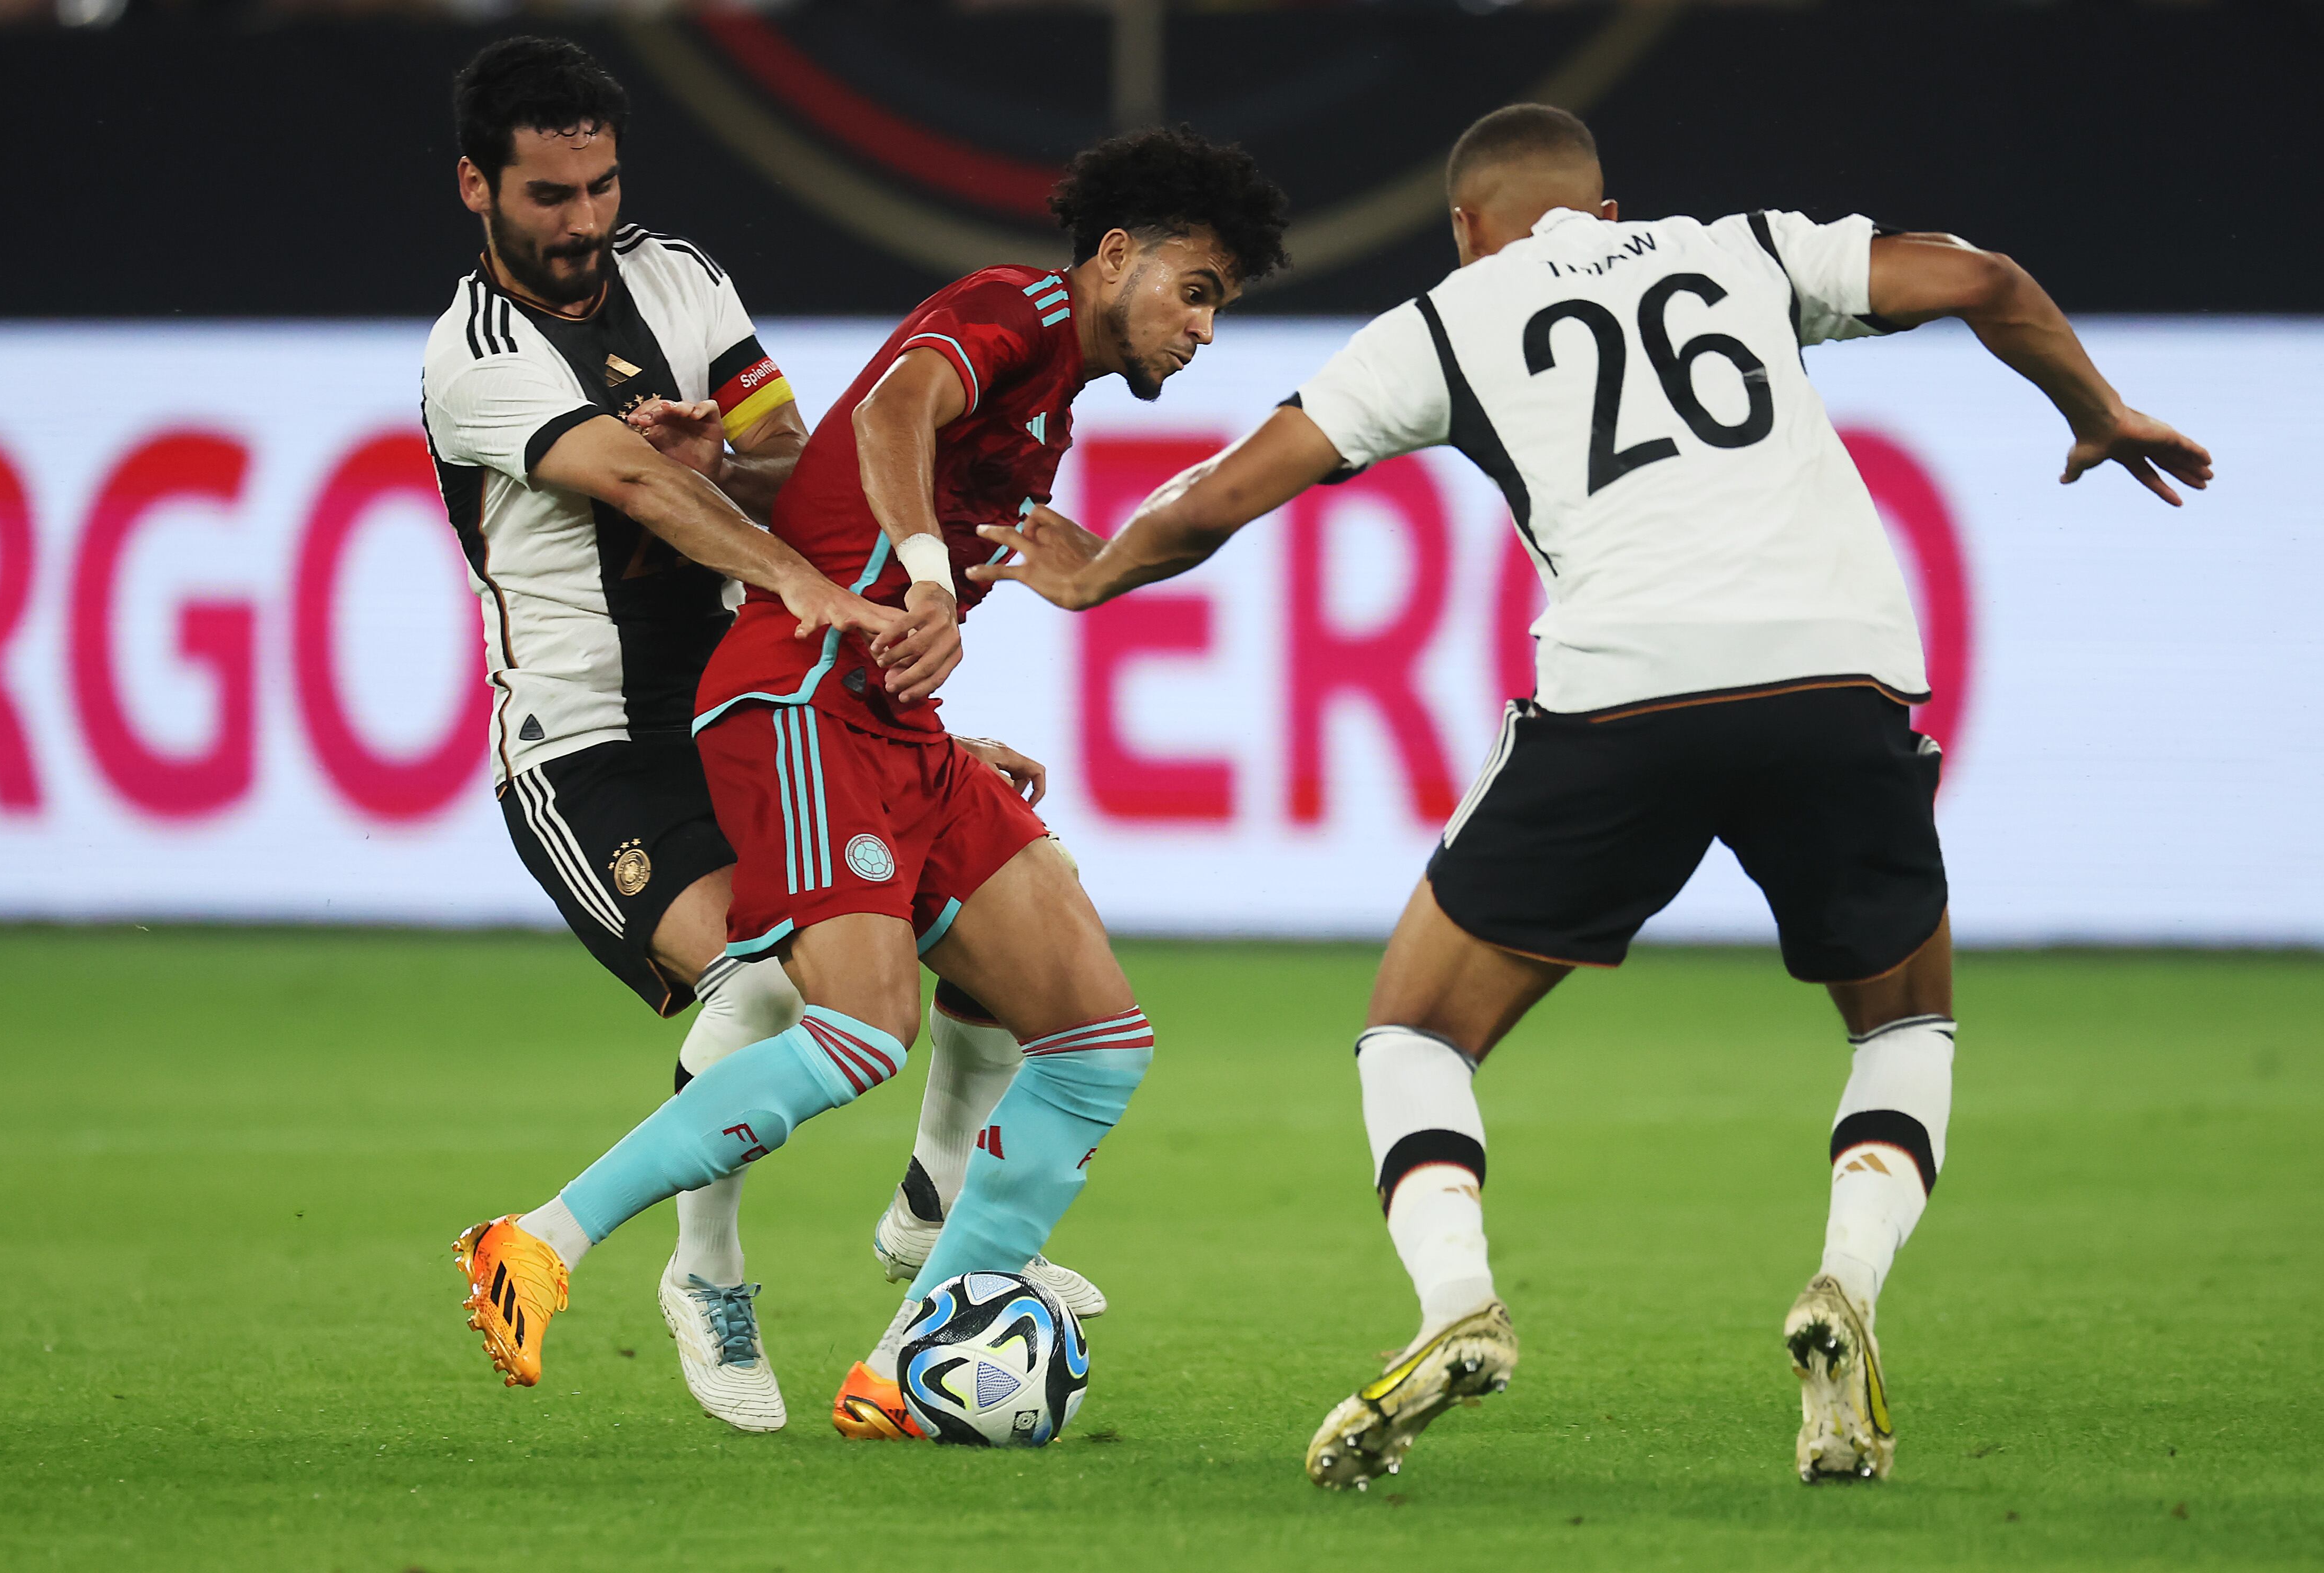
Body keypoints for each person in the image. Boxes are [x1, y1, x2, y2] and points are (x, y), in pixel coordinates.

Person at [967, 103, 2211, 1487]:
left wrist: (1092, 573)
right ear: (1607, 215)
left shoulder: (1443, 321)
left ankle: (1456, 1307)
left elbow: (1224, 494)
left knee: (1413, 1031)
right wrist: (2095, 412)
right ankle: (1838, 1288)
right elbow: (1978, 277)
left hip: (1624, 693)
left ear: (1463, 228)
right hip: (1835, 681)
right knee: (1904, 1016)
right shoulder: (1739, 249)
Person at [449, 126, 1292, 1441]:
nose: (1199, 329)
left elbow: (834, 454)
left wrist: (1030, 598)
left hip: (893, 724)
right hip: (793, 694)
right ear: (1113, 254)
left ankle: (916, 1335)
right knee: (853, 1026)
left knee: (1094, 1039)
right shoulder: (1015, 307)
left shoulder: (1053, 394)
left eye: (1219, 308)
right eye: (1193, 289)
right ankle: (539, 1239)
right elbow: (898, 405)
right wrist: (928, 575)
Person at [423, 37, 1084, 1432]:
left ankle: (932, 1205)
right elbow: (630, 486)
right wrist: (789, 570)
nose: (582, 222)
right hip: (591, 750)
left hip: (756, 701)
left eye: (600, 186)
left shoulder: (680, 279)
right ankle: (703, 1267)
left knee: (968, 906)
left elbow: (793, 460)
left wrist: (736, 461)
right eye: (546, 196)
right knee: (774, 981)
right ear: (475, 187)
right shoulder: (472, 359)